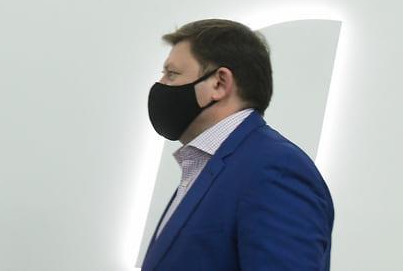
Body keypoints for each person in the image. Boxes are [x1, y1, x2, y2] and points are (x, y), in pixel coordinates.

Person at [141, 19, 333, 271]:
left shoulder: (276, 169)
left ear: (219, 83)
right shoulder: (207, 166)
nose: (161, 84)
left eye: (172, 74)